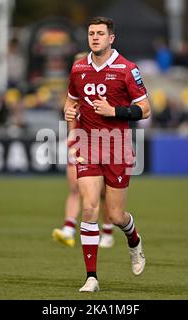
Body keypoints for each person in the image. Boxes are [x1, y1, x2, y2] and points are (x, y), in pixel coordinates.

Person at [64, 17, 151, 292]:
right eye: (91, 33)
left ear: (111, 38)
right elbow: (71, 101)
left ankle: (134, 240)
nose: (95, 37)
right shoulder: (78, 68)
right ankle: (92, 277)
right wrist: (70, 125)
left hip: (117, 146)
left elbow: (145, 109)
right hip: (88, 145)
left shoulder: (127, 69)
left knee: (115, 215)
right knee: (89, 206)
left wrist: (115, 111)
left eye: (100, 33)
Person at [52, 52, 115, 249]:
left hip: (103, 143)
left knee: (103, 193)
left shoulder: (103, 85)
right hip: (81, 143)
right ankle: (69, 228)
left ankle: (107, 231)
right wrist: (72, 137)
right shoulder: (74, 87)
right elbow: (71, 114)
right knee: (74, 187)